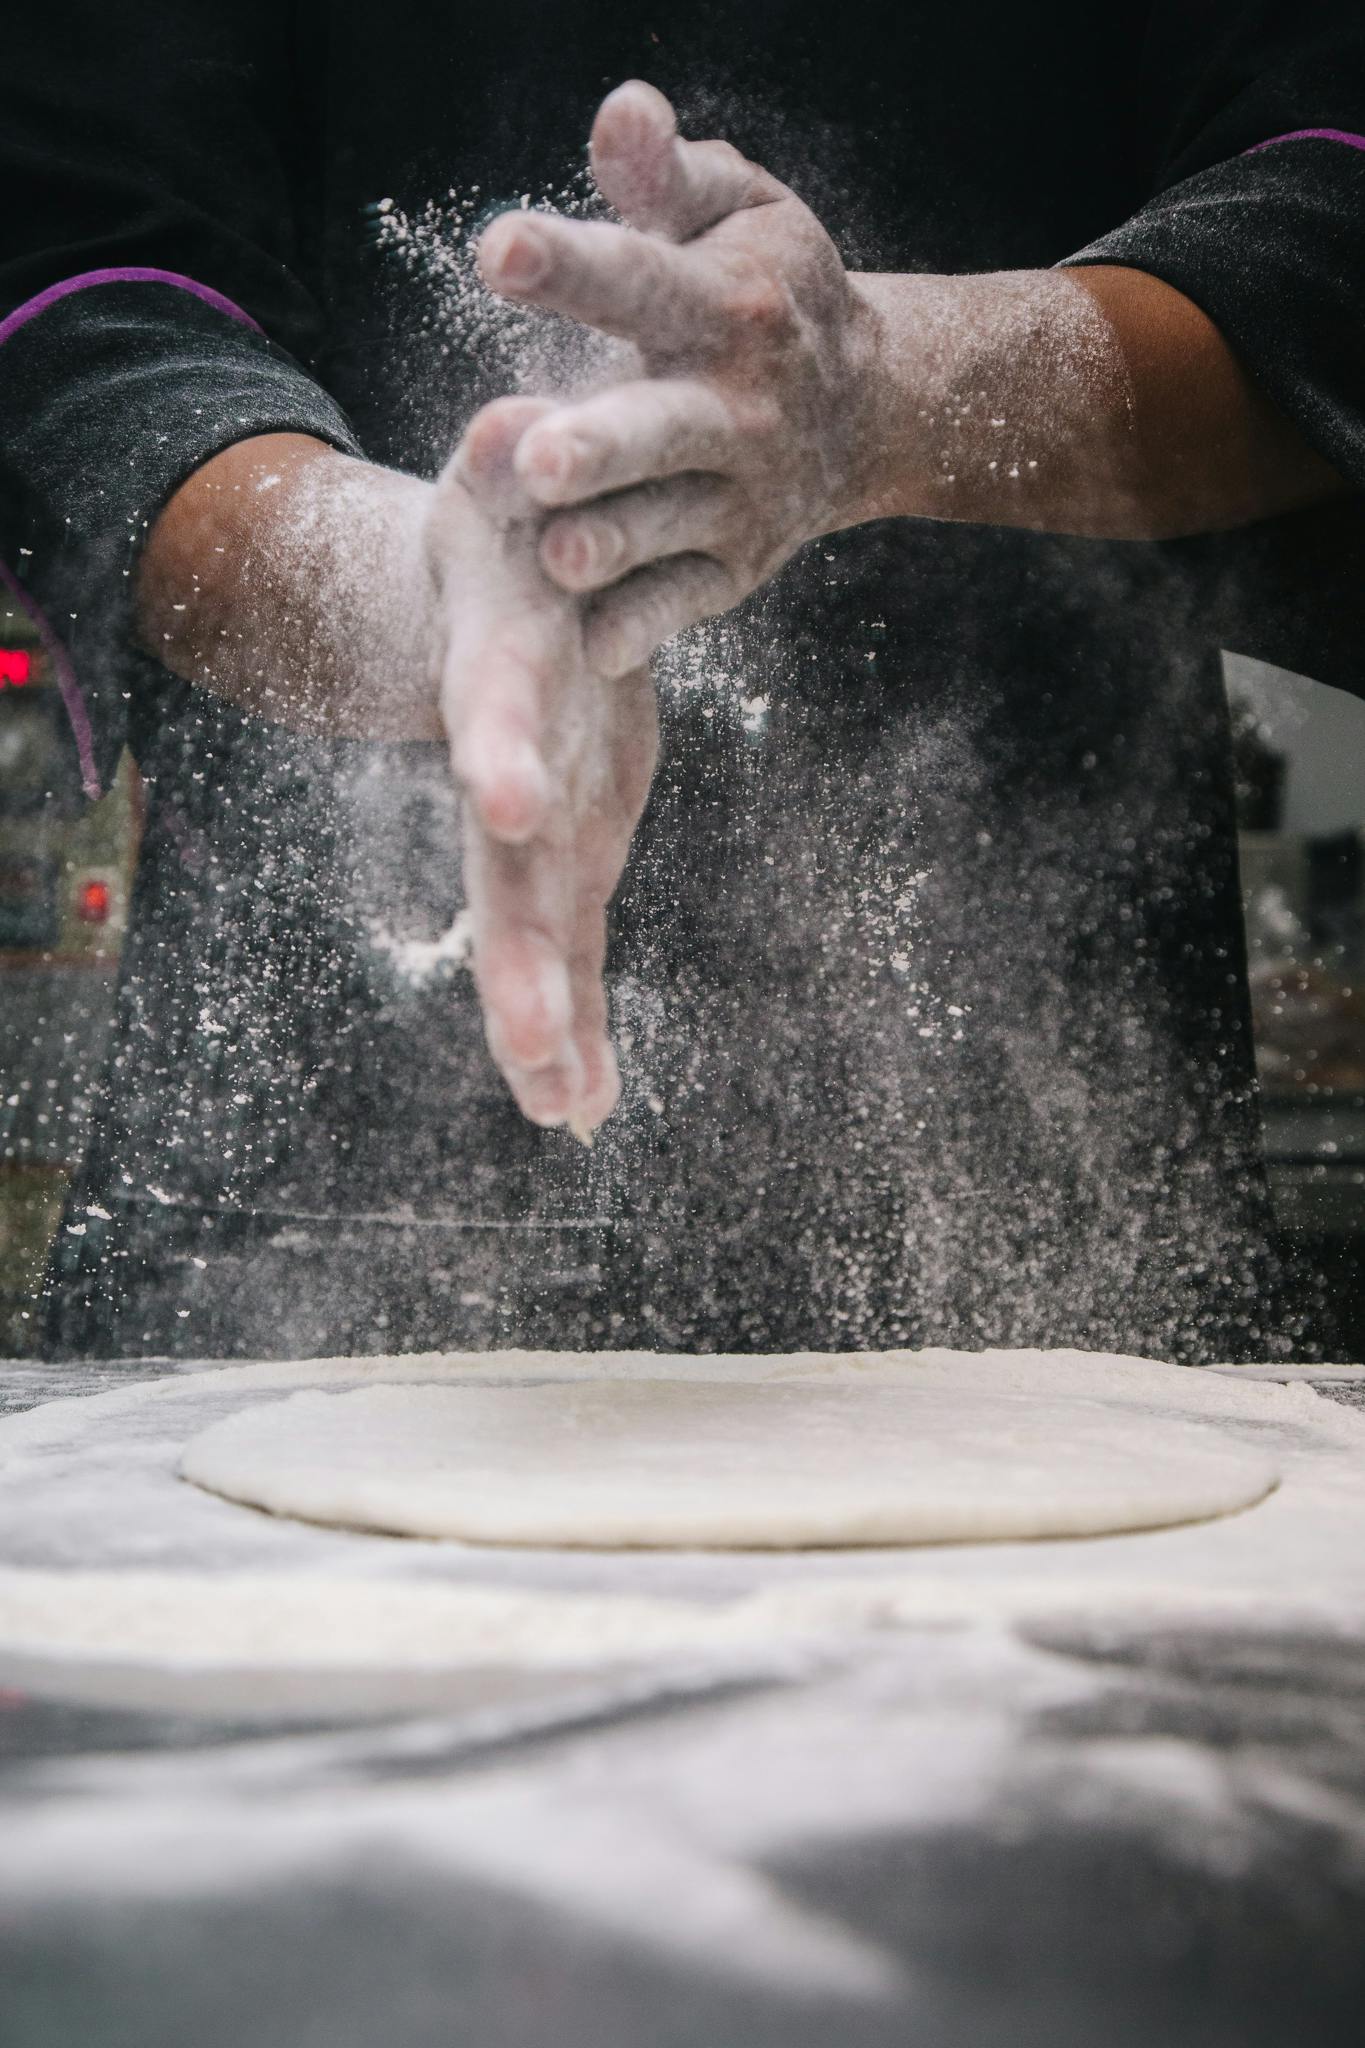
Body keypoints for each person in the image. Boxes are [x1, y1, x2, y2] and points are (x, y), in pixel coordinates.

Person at [3, 3, 1363, 1363]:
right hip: (313, 1196)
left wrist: (894, 389)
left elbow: (1330, 206)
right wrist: (426, 597)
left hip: (1061, 1161)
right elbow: (84, 287)